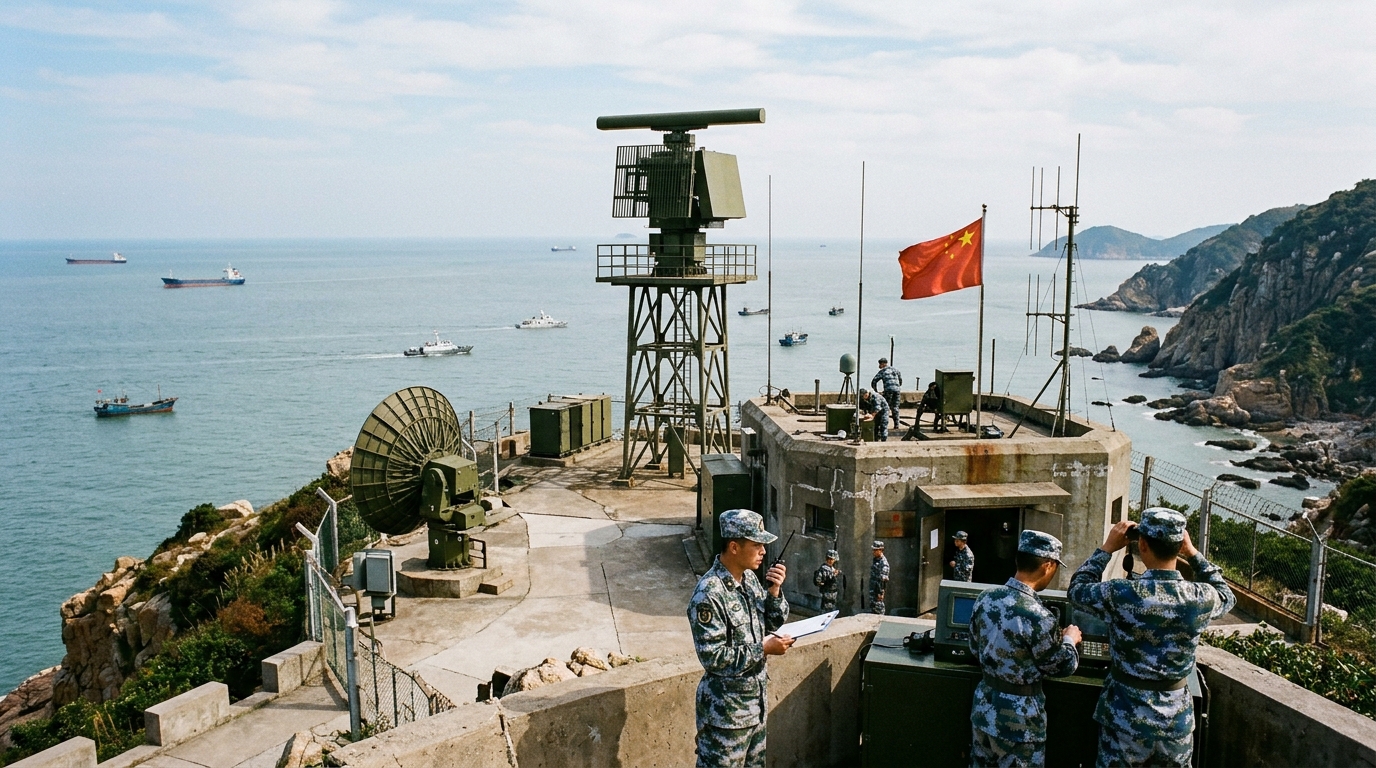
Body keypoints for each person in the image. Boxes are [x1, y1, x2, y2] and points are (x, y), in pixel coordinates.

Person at [1069, 508, 1235, 768]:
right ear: (1179, 546)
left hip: (1125, 720)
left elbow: (1077, 590)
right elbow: (1227, 595)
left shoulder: (1121, 593)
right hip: (1175, 724)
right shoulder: (1200, 598)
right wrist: (1193, 554)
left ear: (1142, 544)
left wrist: (1107, 549)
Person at [688, 509, 793, 768]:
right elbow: (713, 658)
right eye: (757, 545)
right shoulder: (709, 594)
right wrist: (763, 649)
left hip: (754, 709)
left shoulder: (749, 580)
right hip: (725, 717)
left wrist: (775, 592)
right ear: (734, 547)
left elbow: (770, 623)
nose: (763, 551)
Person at [968, 530, 1083, 767]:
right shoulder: (1040, 616)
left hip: (984, 710)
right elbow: (1060, 666)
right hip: (1019, 723)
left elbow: (974, 646)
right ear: (1048, 566)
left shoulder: (985, 598)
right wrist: (1070, 640)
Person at [870, 358, 903, 429]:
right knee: (895, 407)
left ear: (883, 364)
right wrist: (897, 386)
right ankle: (896, 424)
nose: (879, 366)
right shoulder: (895, 370)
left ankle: (883, 424)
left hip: (888, 390)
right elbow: (900, 379)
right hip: (897, 390)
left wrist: (876, 392)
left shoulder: (882, 371)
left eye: (880, 364)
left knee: (885, 407)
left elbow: (874, 381)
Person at [869, 541, 890, 615]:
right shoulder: (876, 559)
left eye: (875, 550)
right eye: (873, 550)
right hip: (873, 590)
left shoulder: (883, 563)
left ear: (881, 550)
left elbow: (883, 580)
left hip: (878, 591)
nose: (873, 552)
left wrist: (881, 593)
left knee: (879, 609)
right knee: (873, 608)